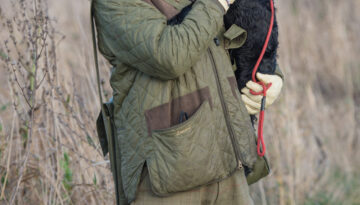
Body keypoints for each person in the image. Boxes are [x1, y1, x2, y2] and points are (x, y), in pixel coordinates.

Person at [92, 0, 284, 204]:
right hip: (167, 175)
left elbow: (248, 19)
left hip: (227, 162)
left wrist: (269, 71)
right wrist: (216, 3)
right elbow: (169, 56)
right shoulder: (112, 3)